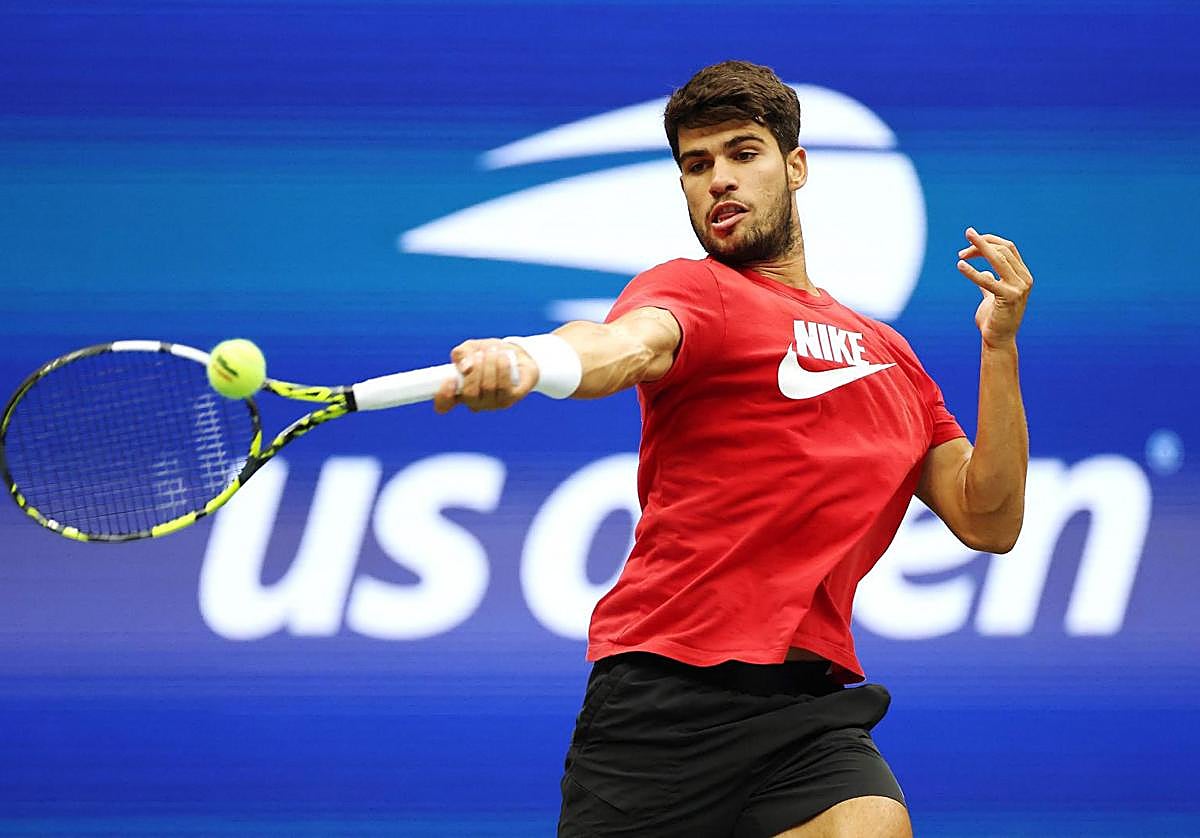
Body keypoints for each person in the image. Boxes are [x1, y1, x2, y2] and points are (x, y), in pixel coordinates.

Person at [433, 60, 1031, 838]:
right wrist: (530, 360)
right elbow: (622, 345)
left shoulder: (891, 357)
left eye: (742, 154)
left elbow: (989, 519)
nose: (718, 179)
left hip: (808, 710)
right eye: (696, 164)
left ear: (795, 166)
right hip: (661, 704)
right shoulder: (695, 290)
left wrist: (1000, 348)